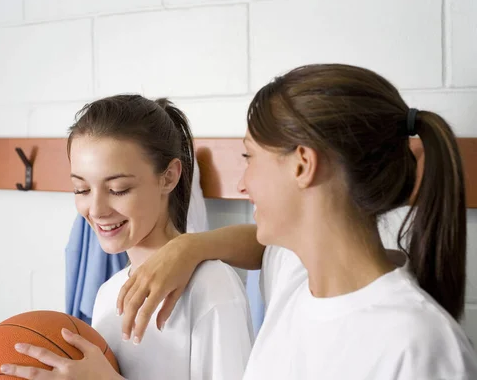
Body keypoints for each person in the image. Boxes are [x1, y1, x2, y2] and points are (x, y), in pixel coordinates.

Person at [114, 65, 477, 379]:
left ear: (303, 164)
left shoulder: (418, 345)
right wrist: (188, 246)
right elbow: (260, 245)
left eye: (249, 157)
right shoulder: (296, 275)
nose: (242, 183)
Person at [0, 95, 253, 380]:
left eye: (118, 189)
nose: (97, 210)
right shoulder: (108, 295)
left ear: (168, 177)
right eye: (82, 190)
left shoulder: (212, 287)